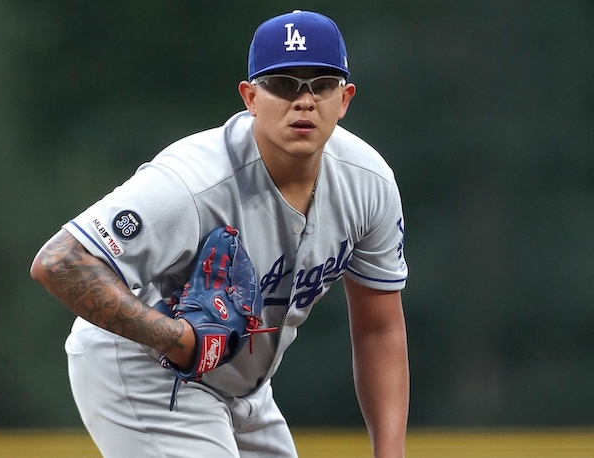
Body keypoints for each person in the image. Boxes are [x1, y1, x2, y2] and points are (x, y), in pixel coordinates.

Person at [30, 9, 409, 458]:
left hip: (243, 388)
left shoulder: (369, 184)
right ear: (250, 97)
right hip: (142, 369)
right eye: (283, 84)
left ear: (344, 99)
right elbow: (60, 261)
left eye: (321, 84)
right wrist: (179, 339)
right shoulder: (192, 183)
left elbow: (379, 331)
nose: (304, 101)